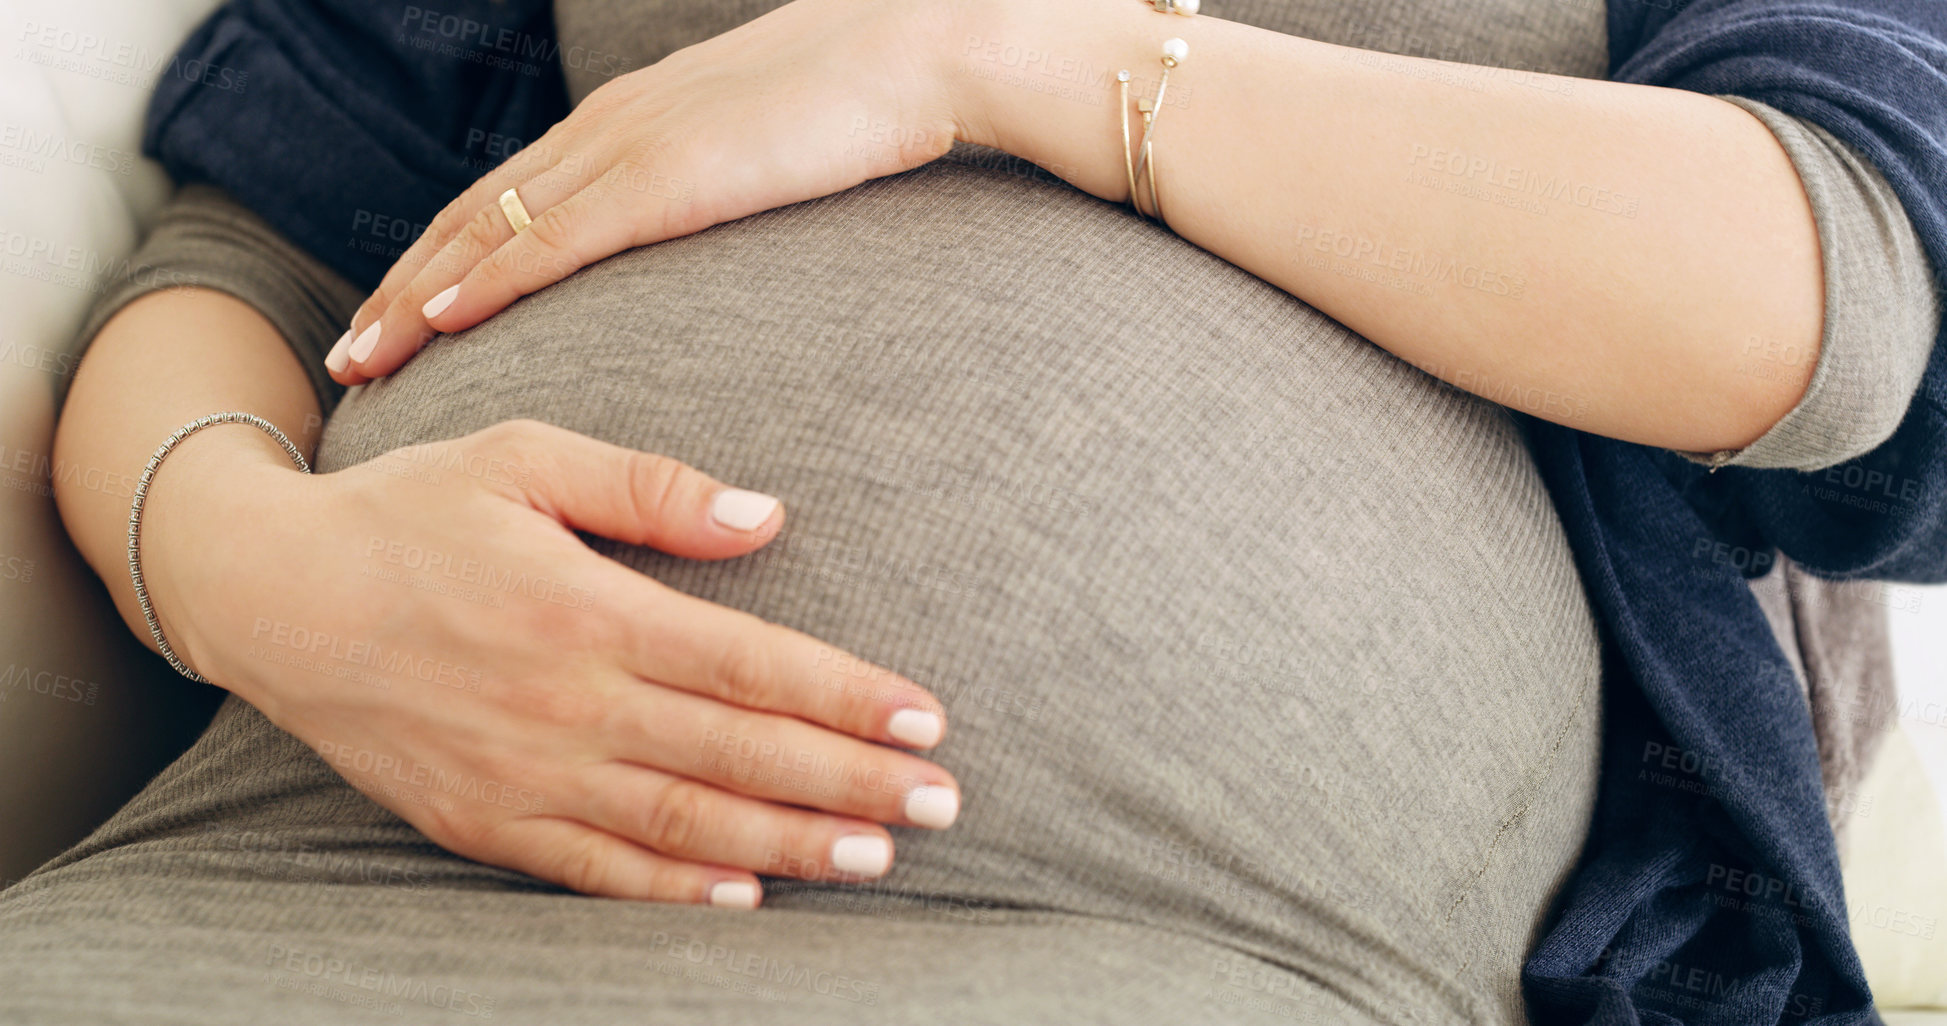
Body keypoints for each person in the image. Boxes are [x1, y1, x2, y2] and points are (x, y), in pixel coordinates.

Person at [5, 0, 1944, 1022]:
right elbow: (248, 251)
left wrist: (998, 56)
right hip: (268, 897)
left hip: (1149, 950)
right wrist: (254, 575)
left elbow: (1834, 298)